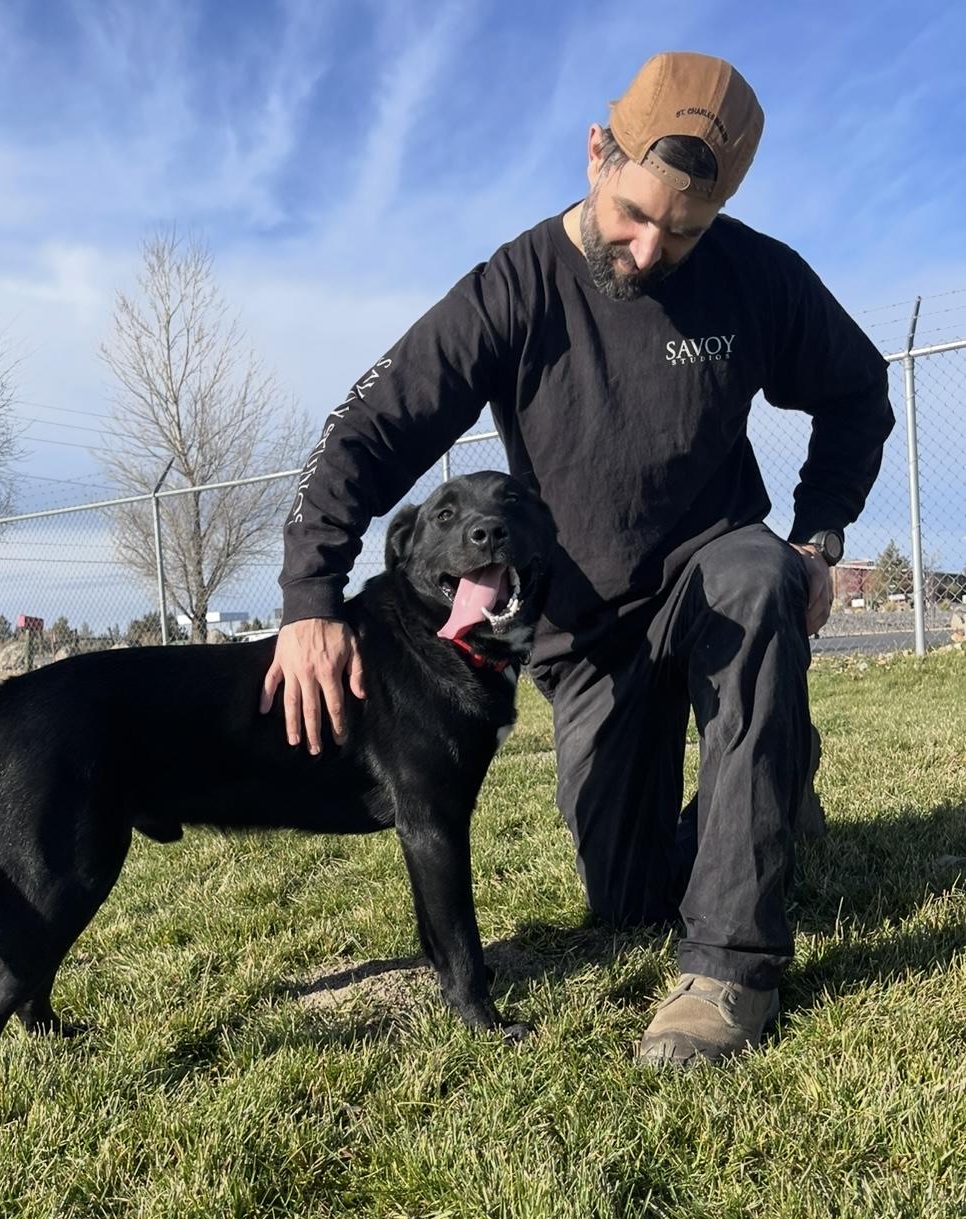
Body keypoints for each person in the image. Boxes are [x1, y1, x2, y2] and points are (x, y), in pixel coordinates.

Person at [258, 51, 896, 1067]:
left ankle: (731, 968)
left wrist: (817, 539)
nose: (649, 250)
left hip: (711, 568)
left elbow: (859, 390)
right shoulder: (512, 288)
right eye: (635, 214)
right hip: (587, 629)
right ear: (599, 153)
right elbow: (370, 430)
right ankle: (772, 777)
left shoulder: (755, 274)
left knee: (758, 579)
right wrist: (309, 596)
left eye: (683, 232)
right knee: (626, 897)